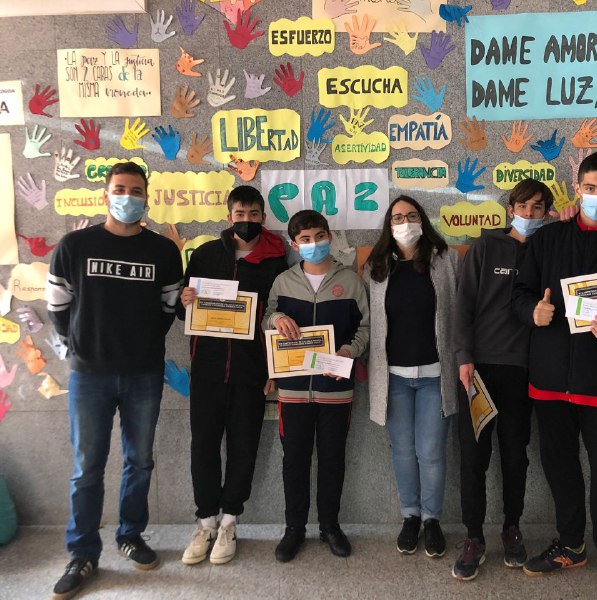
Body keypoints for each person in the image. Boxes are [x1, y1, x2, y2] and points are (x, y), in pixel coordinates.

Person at [511, 151, 597, 600]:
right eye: (590, 188)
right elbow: (519, 293)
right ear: (577, 188)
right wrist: (532, 312)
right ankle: (571, 545)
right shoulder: (547, 240)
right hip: (549, 380)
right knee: (560, 467)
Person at [46, 162, 183, 598]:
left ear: (147, 198)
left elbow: (168, 310)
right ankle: (82, 553)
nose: (128, 197)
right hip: (89, 375)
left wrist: (142, 343)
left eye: (136, 190)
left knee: (139, 462)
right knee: (86, 468)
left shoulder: (164, 250)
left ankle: (130, 535)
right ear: (106, 194)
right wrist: (80, 345)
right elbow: (57, 305)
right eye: (120, 189)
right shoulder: (75, 245)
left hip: (144, 373)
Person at [177, 185, 287, 565]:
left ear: (263, 218)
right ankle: (205, 521)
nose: (246, 221)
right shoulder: (206, 254)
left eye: (254, 214)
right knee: (203, 445)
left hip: (250, 371)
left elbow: (279, 319)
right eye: (240, 214)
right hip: (207, 370)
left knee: (244, 446)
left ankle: (229, 521)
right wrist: (185, 301)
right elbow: (184, 310)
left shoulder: (277, 261)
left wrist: (273, 368)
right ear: (229, 217)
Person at [450, 179, 554, 580]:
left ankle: (512, 529)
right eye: (523, 206)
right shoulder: (485, 247)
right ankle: (474, 537)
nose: (529, 214)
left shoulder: (548, 251)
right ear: (511, 209)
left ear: (546, 213)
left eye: (538, 208)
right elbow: (463, 305)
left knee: (515, 455)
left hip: (524, 370)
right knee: (473, 458)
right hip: (478, 370)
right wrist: (464, 357)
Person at [266, 210, 369, 562]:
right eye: (305, 239)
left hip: (335, 389)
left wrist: (349, 350)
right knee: (294, 461)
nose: (314, 244)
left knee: (332, 459)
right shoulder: (283, 282)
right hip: (292, 390)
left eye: (319, 236)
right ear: (295, 245)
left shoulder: (351, 282)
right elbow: (265, 318)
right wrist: (277, 318)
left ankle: (330, 527)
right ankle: (294, 529)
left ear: (329, 236)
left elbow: (365, 328)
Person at [364, 195, 460, 559]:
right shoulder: (376, 267)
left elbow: (462, 311)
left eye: (411, 215)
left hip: (436, 375)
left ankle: (432, 519)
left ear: (423, 220)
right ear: (388, 226)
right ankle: (410, 516)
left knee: (431, 452)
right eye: (397, 217)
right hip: (394, 379)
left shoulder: (446, 260)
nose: (405, 223)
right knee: (403, 452)